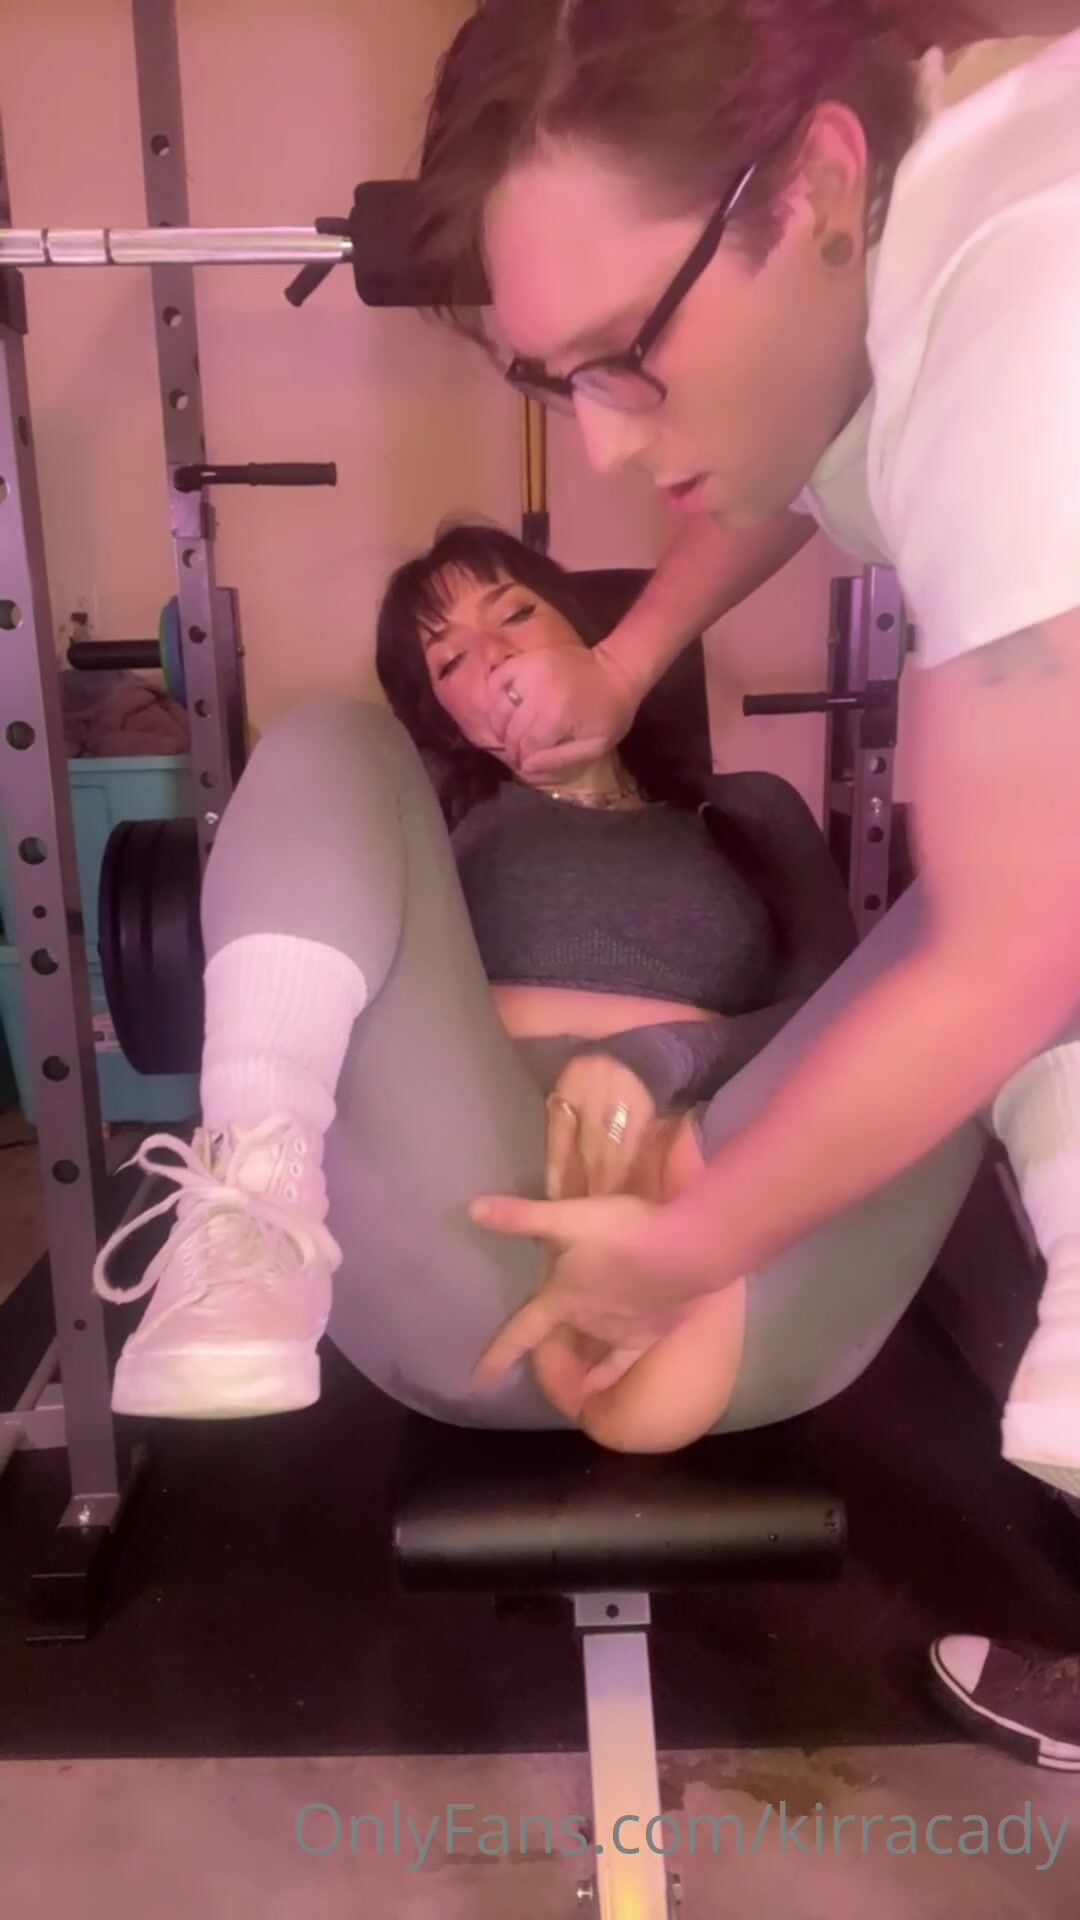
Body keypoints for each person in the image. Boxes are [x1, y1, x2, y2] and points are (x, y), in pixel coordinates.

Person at [407, 0, 1080, 1765]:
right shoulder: (905, 225)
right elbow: (797, 431)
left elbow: (1008, 946)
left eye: (628, 355)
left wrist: (686, 1244)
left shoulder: (1027, 297)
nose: (607, 448)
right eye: (561, 382)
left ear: (819, 184)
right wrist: (629, 661)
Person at [95, 517, 984, 1463]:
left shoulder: (752, 811)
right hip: (465, 1218)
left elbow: (838, 1023)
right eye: (448, 660)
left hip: (734, 1195)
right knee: (328, 734)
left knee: (1017, 886)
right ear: (448, 717)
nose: (493, 654)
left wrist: (658, 1065)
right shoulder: (420, 818)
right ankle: (252, 1205)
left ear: (587, 633)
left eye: (515, 613)